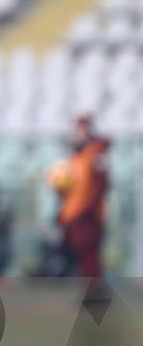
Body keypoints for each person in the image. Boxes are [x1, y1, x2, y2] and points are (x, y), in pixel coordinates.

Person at [47, 115, 109, 277]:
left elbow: (100, 187)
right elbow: (69, 190)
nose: (77, 135)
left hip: (87, 217)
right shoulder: (75, 158)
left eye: (81, 131)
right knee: (76, 255)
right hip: (72, 216)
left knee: (89, 255)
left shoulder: (95, 156)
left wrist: (85, 210)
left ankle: (94, 293)